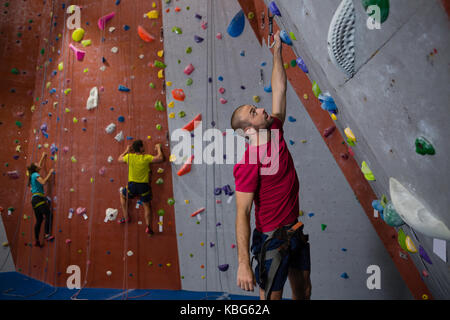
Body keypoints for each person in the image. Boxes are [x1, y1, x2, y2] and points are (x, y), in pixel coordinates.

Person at [231, 31, 311, 300]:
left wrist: (276, 51)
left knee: (304, 291)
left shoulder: (274, 129)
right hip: (272, 239)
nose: (261, 110)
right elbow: (242, 213)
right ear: (247, 131)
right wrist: (243, 263)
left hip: (294, 230)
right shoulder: (248, 163)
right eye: (253, 113)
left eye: (256, 107)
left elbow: (279, 90)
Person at [118, 140, 164, 235]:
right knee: (146, 205)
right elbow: (160, 158)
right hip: (143, 186)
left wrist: (126, 150)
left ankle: (126, 216)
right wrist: (158, 147)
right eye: (143, 146)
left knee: (122, 196)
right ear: (141, 148)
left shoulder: (129, 157)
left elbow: (119, 159)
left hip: (132, 186)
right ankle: (148, 227)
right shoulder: (146, 158)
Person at [27, 152, 55, 248]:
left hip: (34, 200)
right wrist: (50, 173)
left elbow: (38, 166)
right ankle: (47, 234)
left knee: (39, 220)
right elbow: (43, 182)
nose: (39, 164)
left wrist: (42, 157)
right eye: (37, 165)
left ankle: (36, 240)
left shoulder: (33, 174)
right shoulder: (35, 174)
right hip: (38, 199)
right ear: (35, 168)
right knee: (48, 214)